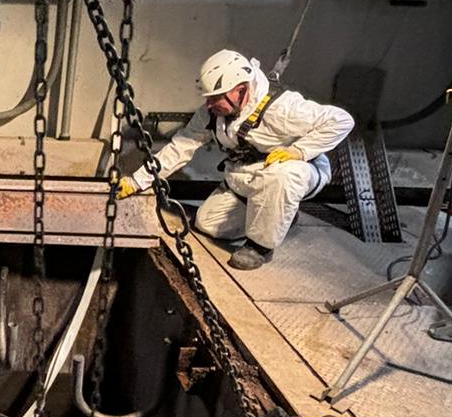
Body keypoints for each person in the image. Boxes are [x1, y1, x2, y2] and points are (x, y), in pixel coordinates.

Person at [120, 48, 353, 270]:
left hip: (295, 172)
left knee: (282, 174)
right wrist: (138, 180)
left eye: (215, 98)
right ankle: (280, 216)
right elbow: (182, 146)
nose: (209, 104)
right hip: (248, 174)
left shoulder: (283, 109)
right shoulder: (212, 113)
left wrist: (299, 151)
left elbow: (341, 120)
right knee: (207, 224)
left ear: (240, 90)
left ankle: (260, 247)